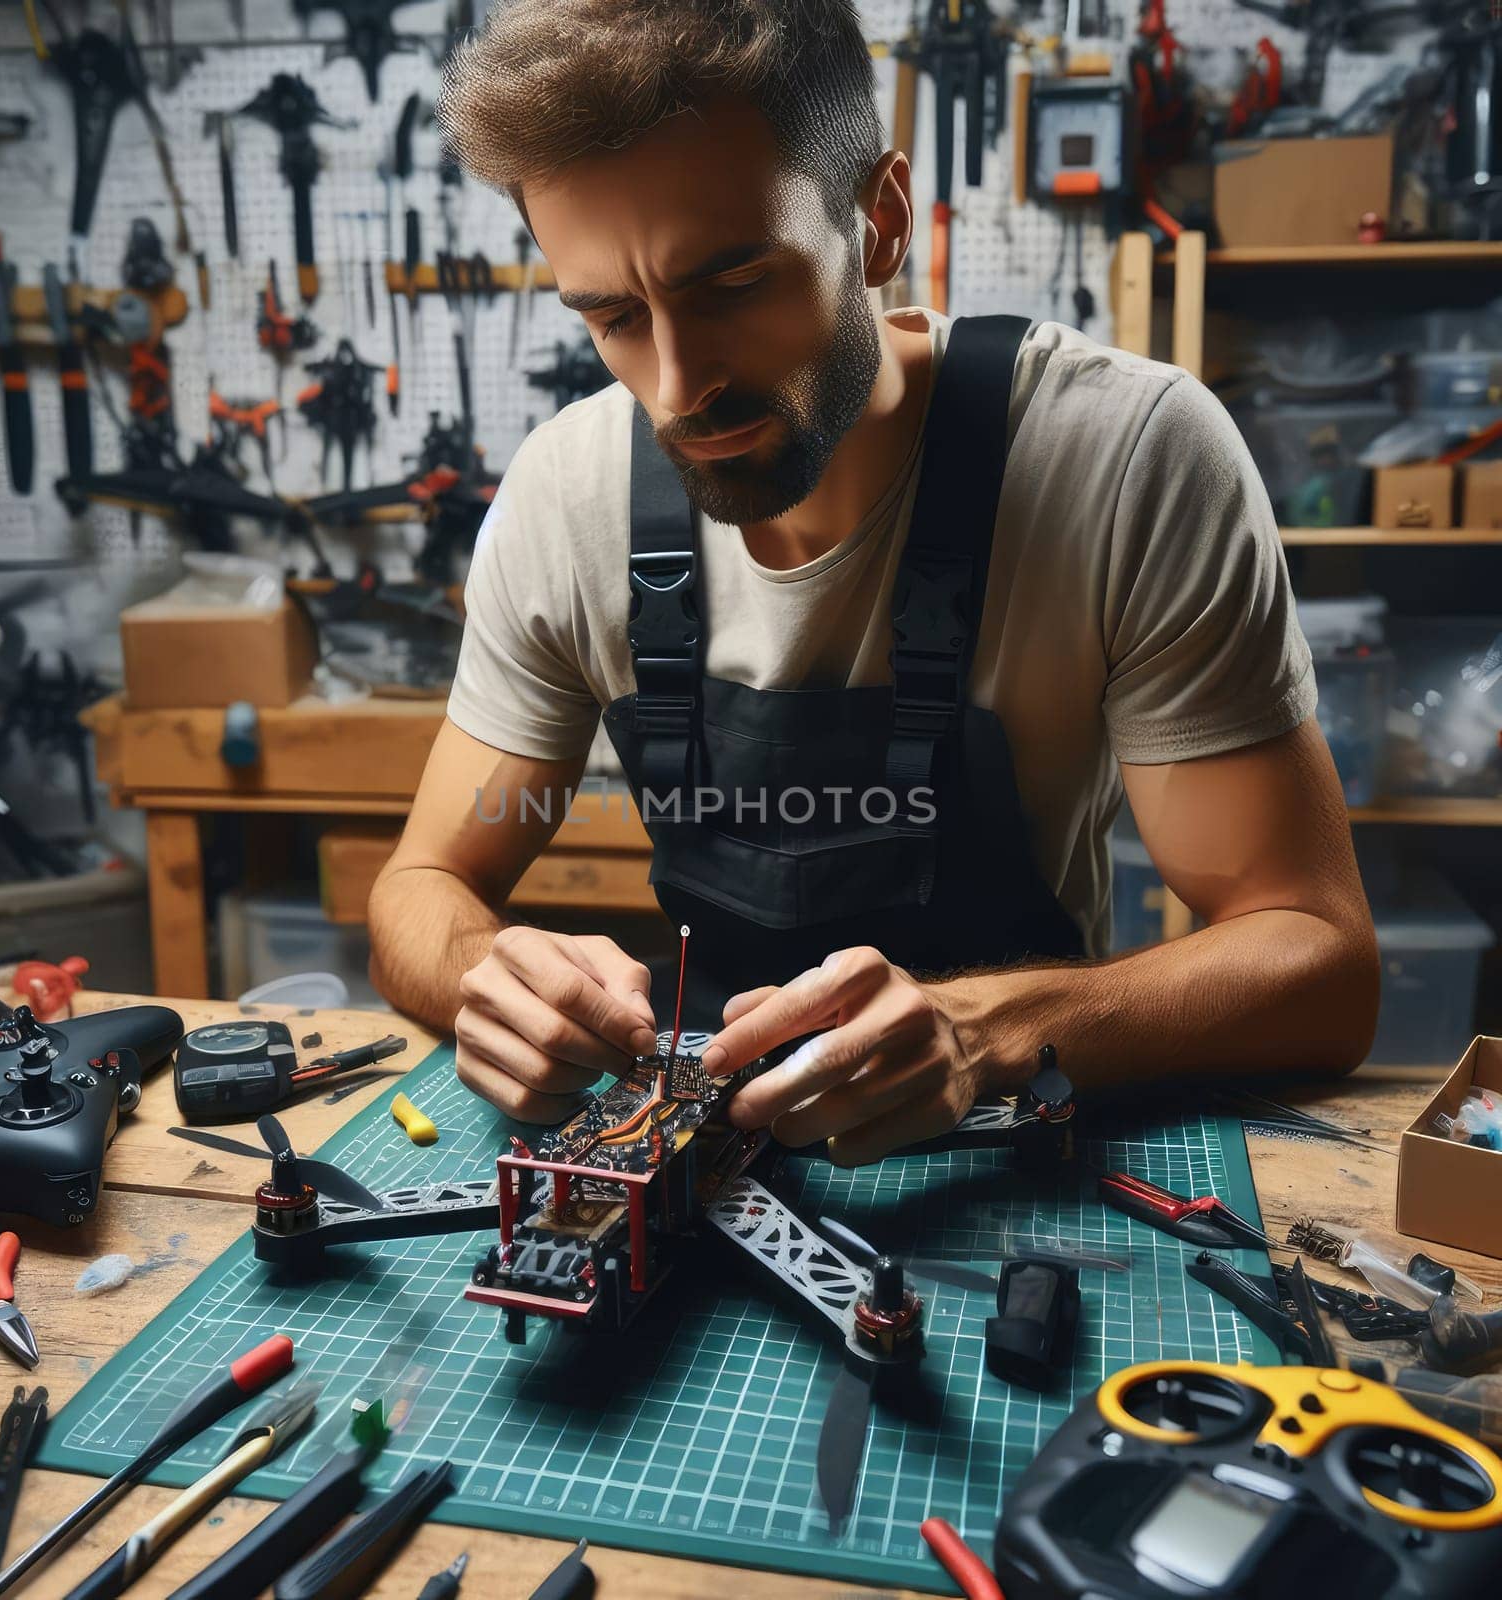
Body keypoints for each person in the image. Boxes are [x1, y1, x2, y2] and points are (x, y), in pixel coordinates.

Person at [368, 0, 1379, 1166]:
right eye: (612, 315)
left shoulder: (1128, 458)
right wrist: (483, 976)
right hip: (698, 1149)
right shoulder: (565, 496)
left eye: (733, 284)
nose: (677, 386)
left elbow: (1317, 958)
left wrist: (981, 1029)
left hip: (1012, 1153)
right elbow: (423, 884)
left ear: (880, 219)